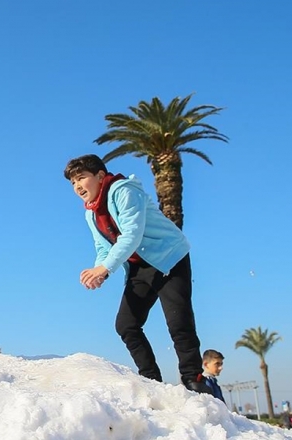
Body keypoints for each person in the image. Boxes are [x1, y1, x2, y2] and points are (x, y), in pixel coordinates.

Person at [64, 154, 211, 394]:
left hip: (169, 257)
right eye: (73, 183)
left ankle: (193, 378)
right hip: (140, 266)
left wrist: (105, 267)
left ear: (100, 176)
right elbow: (103, 247)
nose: (78, 186)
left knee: (178, 322)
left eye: (82, 178)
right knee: (126, 325)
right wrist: (100, 271)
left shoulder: (124, 191)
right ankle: (151, 380)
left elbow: (131, 234)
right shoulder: (90, 213)